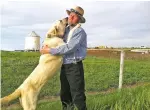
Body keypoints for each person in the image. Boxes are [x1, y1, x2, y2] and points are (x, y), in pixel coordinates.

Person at [40, 6, 87, 110]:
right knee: (65, 94)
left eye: (74, 17)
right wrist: (45, 45)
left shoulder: (79, 32)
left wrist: (50, 51)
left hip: (74, 67)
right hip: (64, 66)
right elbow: (53, 37)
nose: (70, 18)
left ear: (79, 19)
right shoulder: (64, 30)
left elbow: (69, 48)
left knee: (77, 94)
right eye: (70, 16)